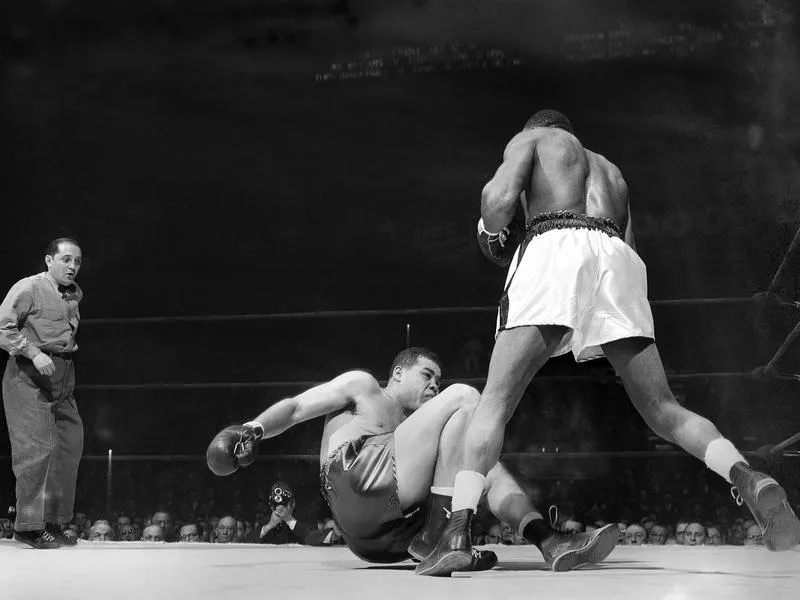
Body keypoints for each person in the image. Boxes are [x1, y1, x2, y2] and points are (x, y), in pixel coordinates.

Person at [418, 110, 800, 575]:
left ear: (538, 129)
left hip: (555, 246)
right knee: (663, 410)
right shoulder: (613, 171)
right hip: (617, 261)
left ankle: (457, 528)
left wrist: (490, 231)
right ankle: (745, 474)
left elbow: (497, 201)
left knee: (493, 405)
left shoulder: (533, 139)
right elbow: (631, 248)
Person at [207, 347, 618, 572]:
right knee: (467, 399)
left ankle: (546, 540)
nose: (434, 387)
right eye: (427, 376)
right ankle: (445, 536)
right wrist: (253, 428)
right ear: (398, 373)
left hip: (384, 540)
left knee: (483, 460)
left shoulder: (422, 433)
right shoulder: (364, 387)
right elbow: (297, 408)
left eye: (437, 381)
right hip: (356, 477)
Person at [0, 237, 84, 549]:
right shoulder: (29, 287)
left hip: (62, 375)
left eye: (77, 261)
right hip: (28, 373)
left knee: (69, 445)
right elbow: (2, 327)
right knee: (36, 450)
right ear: (49, 261)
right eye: (66, 259)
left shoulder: (74, 293)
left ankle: (54, 522)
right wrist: (33, 353)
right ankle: (28, 527)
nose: (72, 266)